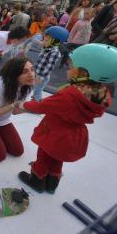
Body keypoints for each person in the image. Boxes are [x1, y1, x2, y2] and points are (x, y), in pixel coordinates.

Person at [18, 43, 116, 194]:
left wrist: (24, 105)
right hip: (74, 135)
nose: (67, 69)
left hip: (55, 131)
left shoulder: (70, 95)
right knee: (58, 158)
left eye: (70, 67)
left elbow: (42, 106)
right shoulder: (101, 94)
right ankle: (52, 184)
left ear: (84, 73)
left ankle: (36, 180)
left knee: (43, 156)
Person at [32, 26, 69, 101]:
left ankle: (37, 104)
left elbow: (49, 67)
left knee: (37, 91)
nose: (44, 39)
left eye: (47, 38)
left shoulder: (54, 52)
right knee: (35, 90)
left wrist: (41, 77)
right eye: (45, 37)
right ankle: (34, 100)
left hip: (42, 76)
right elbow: (35, 40)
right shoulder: (47, 48)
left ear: (55, 41)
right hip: (37, 73)